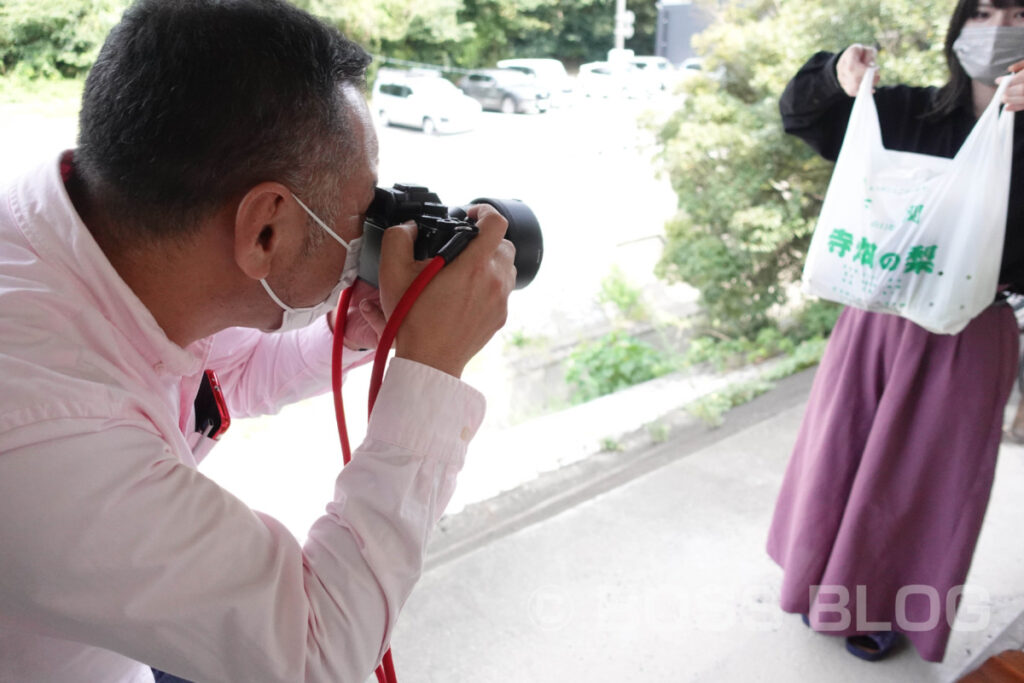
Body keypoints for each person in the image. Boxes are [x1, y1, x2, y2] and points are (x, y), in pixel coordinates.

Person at [0, 1, 516, 681]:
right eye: (360, 215)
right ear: (265, 229)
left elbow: (226, 374)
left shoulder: (91, 234)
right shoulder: (49, 431)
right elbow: (315, 652)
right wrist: (431, 371)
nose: (364, 238)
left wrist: (354, 330)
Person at [767, 0, 1024, 664]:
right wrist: (836, 77)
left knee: (927, 482)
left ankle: (884, 609)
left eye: (1017, 13)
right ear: (958, 26)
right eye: (984, 11)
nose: (996, 30)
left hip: (971, 330)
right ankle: (815, 582)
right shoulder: (909, 112)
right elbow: (802, 115)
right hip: (877, 319)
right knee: (840, 454)